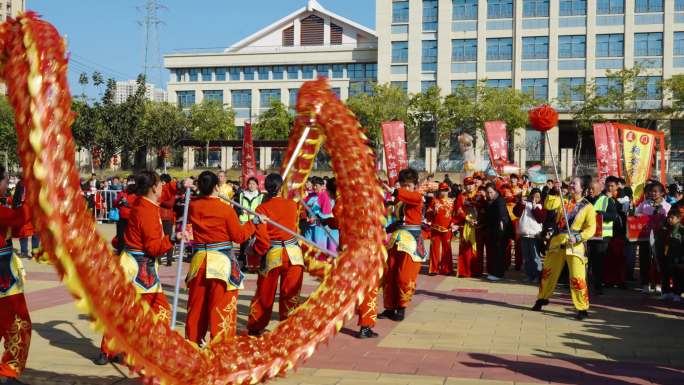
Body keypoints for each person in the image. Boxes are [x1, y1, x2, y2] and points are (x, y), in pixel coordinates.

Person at [96, 171, 173, 367]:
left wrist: (179, 187)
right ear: (154, 187)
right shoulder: (146, 210)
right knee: (160, 310)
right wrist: (173, 239)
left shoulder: (142, 202)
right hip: (139, 269)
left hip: (135, 265)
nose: (163, 187)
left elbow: (166, 196)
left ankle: (110, 349)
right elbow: (153, 248)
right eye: (161, 184)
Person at [184, 171, 256, 343]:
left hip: (199, 261)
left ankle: (192, 344)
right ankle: (219, 348)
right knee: (221, 307)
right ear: (217, 186)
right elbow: (239, 237)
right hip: (221, 264)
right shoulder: (225, 209)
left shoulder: (192, 206)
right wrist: (254, 224)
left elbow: (189, 232)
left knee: (196, 307)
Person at [246, 174, 304, 336]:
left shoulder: (261, 209)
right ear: (281, 187)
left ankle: (257, 325)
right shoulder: (292, 205)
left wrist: (255, 251)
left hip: (273, 255)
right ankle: (288, 326)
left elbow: (263, 240)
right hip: (294, 254)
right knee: (291, 293)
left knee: (265, 292)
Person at [532, 176, 596, 320]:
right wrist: (555, 191)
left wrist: (578, 237)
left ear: (582, 188)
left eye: (575, 183)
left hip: (575, 245)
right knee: (548, 272)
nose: (572, 185)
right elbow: (548, 205)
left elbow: (591, 229)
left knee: (577, 277)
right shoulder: (563, 199)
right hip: (557, 241)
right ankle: (542, 298)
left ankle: (582, 308)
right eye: (571, 183)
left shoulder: (588, 207)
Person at [379, 168, 426, 322]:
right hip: (397, 240)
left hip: (412, 242)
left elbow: (407, 196)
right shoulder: (400, 200)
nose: (406, 188)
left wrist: (394, 190)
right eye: (403, 185)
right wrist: (384, 229)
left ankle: (402, 307)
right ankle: (390, 307)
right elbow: (398, 222)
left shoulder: (417, 197)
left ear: (415, 185)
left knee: (405, 276)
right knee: (390, 274)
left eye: (409, 185)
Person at [0, 166, 31, 381]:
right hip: (3, 277)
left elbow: (17, 228)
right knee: (19, 324)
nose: (7, 185)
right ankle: (8, 371)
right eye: (5, 180)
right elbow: (18, 219)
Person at [635, 182, 670, 293]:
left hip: (660, 238)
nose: (652, 193)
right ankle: (646, 284)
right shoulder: (644, 204)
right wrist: (638, 215)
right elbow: (636, 214)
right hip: (644, 238)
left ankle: (659, 284)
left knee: (659, 260)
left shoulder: (667, 206)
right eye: (651, 191)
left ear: (662, 193)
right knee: (644, 260)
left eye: (655, 191)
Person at [586, 179, 618, 295]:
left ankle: (598, 287)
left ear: (599, 189)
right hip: (588, 236)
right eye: (589, 188)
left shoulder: (607, 200)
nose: (590, 191)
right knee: (586, 262)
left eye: (592, 189)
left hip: (602, 237)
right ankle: (584, 285)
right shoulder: (586, 200)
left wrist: (601, 214)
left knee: (598, 263)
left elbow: (614, 216)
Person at [514, 188, 545, 282]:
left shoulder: (541, 206)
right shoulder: (525, 204)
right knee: (526, 257)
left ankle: (537, 276)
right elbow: (516, 213)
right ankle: (529, 275)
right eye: (534, 196)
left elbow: (540, 219)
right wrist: (521, 203)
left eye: (538, 196)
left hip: (534, 235)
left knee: (535, 257)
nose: (535, 198)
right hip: (524, 234)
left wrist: (535, 207)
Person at [483, 183, 511, 281]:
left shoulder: (499, 201)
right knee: (495, 252)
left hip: (501, 231)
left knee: (499, 252)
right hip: (493, 230)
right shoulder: (490, 201)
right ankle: (495, 272)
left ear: (495, 191)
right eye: (487, 192)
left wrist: (502, 223)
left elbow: (502, 214)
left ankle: (498, 274)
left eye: (491, 192)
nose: (489, 194)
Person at [426, 183, 455, 276]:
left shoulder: (452, 201)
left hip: (448, 228)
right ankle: (433, 269)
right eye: (442, 190)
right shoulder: (434, 201)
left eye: (445, 190)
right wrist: (433, 213)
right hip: (435, 228)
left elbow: (455, 214)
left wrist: (454, 223)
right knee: (434, 248)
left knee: (447, 249)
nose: (444, 192)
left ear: (448, 190)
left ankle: (446, 269)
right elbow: (428, 214)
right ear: (439, 191)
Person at [455, 177, 481, 277]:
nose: (470, 186)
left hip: (477, 224)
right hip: (466, 223)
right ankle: (464, 271)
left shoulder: (479, 195)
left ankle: (476, 271)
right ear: (465, 186)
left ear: (474, 185)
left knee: (477, 247)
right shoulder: (461, 196)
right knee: (465, 246)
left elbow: (482, 207)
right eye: (467, 184)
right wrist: (466, 218)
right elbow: (458, 209)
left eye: (471, 184)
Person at [235, 177, 264, 269]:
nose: (251, 185)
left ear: (257, 185)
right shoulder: (241, 194)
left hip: (256, 222)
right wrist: (241, 213)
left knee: (257, 242)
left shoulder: (261, 196)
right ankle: (243, 263)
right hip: (244, 221)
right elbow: (236, 207)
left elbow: (263, 209)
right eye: (250, 183)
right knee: (244, 243)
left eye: (253, 184)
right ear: (247, 185)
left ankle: (256, 264)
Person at [302, 177, 333, 251]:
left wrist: (315, 218)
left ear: (322, 186)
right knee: (307, 247)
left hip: (319, 227)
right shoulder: (311, 195)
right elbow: (303, 205)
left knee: (317, 249)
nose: (314, 187)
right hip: (309, 225)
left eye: (316, 185)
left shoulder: (324, 196)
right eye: (313, 185)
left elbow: (327, 215)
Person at [660, 209, 684, 301]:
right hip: (667, 255)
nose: (669, 219)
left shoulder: (681, 230)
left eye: (672, 218)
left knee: (677, 276)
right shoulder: (667, 228)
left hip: (677, 257)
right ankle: (667, 292)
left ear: (678, 218)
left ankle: (677, 293)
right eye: (668, 217)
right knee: (666, 274)